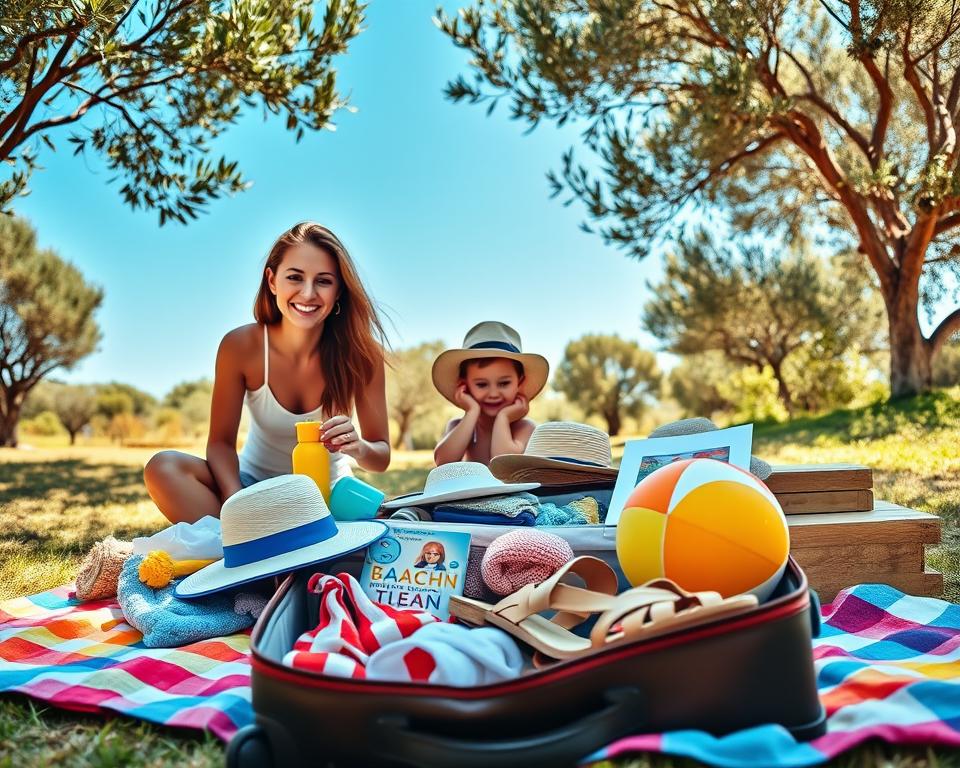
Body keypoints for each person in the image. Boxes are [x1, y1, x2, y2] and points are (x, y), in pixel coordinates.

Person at [144, 222, 391, 524]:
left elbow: (380, 456)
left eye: (324, 281)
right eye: (295, 277)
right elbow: (220, 443)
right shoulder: (241, 346)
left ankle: (257, 546)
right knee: (163, 468)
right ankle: (256, 536)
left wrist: (359, 446)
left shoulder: (363, 355)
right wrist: (235, 500)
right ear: (272, 281)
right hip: (252, 487)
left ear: (339, 290)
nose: (308, 293)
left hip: (326, 497)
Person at [432, 321, 549, 467]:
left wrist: (503, 418)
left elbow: (504, 465)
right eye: (481, 384)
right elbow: (442, 462)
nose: (493, 393)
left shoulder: (525, 428)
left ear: (520, 383)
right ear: (464, 385)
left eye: (504, 383)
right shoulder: (458, 426)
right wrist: (472, 412)